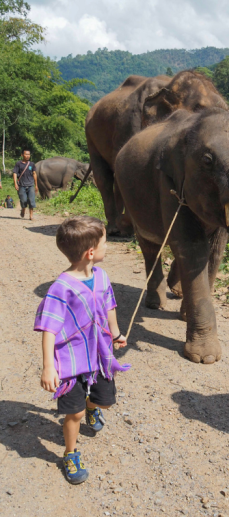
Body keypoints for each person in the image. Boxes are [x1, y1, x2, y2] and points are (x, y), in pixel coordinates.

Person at [35, 215, 131, 484]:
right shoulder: (60, 289)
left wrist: (116, 333)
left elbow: (108, 306)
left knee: (105, 400)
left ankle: (93, 406)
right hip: (69, 361)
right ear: (91, 253)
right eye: (104, 242)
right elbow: (49, 328)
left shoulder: (102, 277)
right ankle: (70, 452)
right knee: (73, 413)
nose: (107, 246)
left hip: (99, 356)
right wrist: (48, 366)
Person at [12, 149, 38, 220]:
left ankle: (31, 216)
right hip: (21, 185)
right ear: (22, 155)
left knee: (31, 200)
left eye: (29, 154)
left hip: (30, 185)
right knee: (23, 200)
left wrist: (36, 185)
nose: (27, 156)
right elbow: (15, 173)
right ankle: (23, 208)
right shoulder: (18, 164)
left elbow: (34, 174)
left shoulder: (32, 164)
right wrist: (15, 183)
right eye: (26, 154)